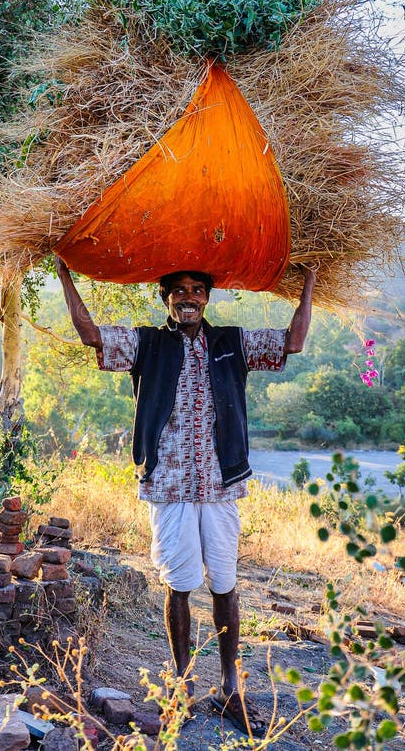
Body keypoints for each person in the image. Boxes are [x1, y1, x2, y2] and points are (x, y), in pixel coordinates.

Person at [56, 258, 315, 737]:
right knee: (179, 583)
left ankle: (230, 686)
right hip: (169, 483)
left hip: (222, 481)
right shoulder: (147, 343)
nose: (189, 297)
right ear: (167, 299)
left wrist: (312, 281)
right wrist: (65, 272)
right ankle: (182, 684)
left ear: (207, 298)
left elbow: (292, 342)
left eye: (197, 289)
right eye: (179, 290)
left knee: (224, 582)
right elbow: (92, 334)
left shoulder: (230, 342)